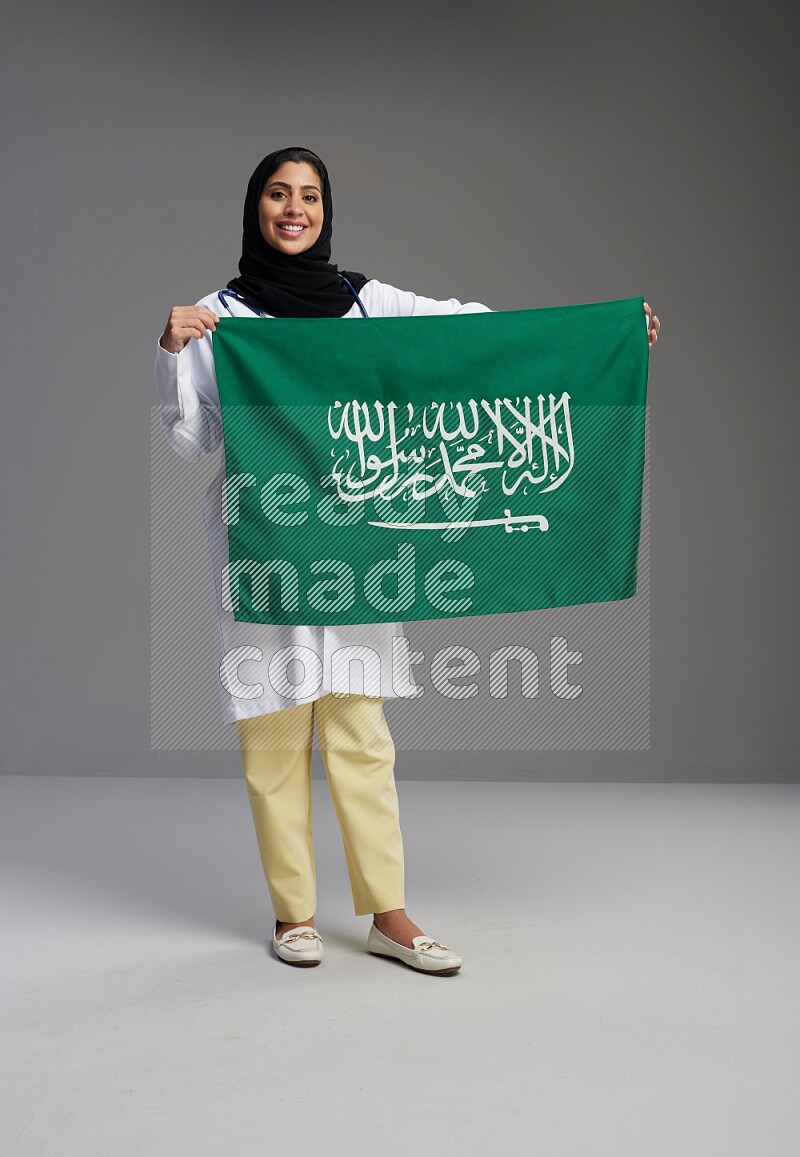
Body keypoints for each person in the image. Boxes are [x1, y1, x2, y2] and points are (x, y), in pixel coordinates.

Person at [155, 146, 660, 974]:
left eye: (309, 196)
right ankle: (293, 917)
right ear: (256, 208)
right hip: (270, 544)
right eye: (278, 195)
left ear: (325, 210)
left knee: (361, 731)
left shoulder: (364, 301)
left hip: (358, 544)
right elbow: (192, 440)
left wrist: (602, 335)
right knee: (273, 735)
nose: (294, 209)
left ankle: (388, 913)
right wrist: (172, 348)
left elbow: (469, 333)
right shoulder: (223, 317)